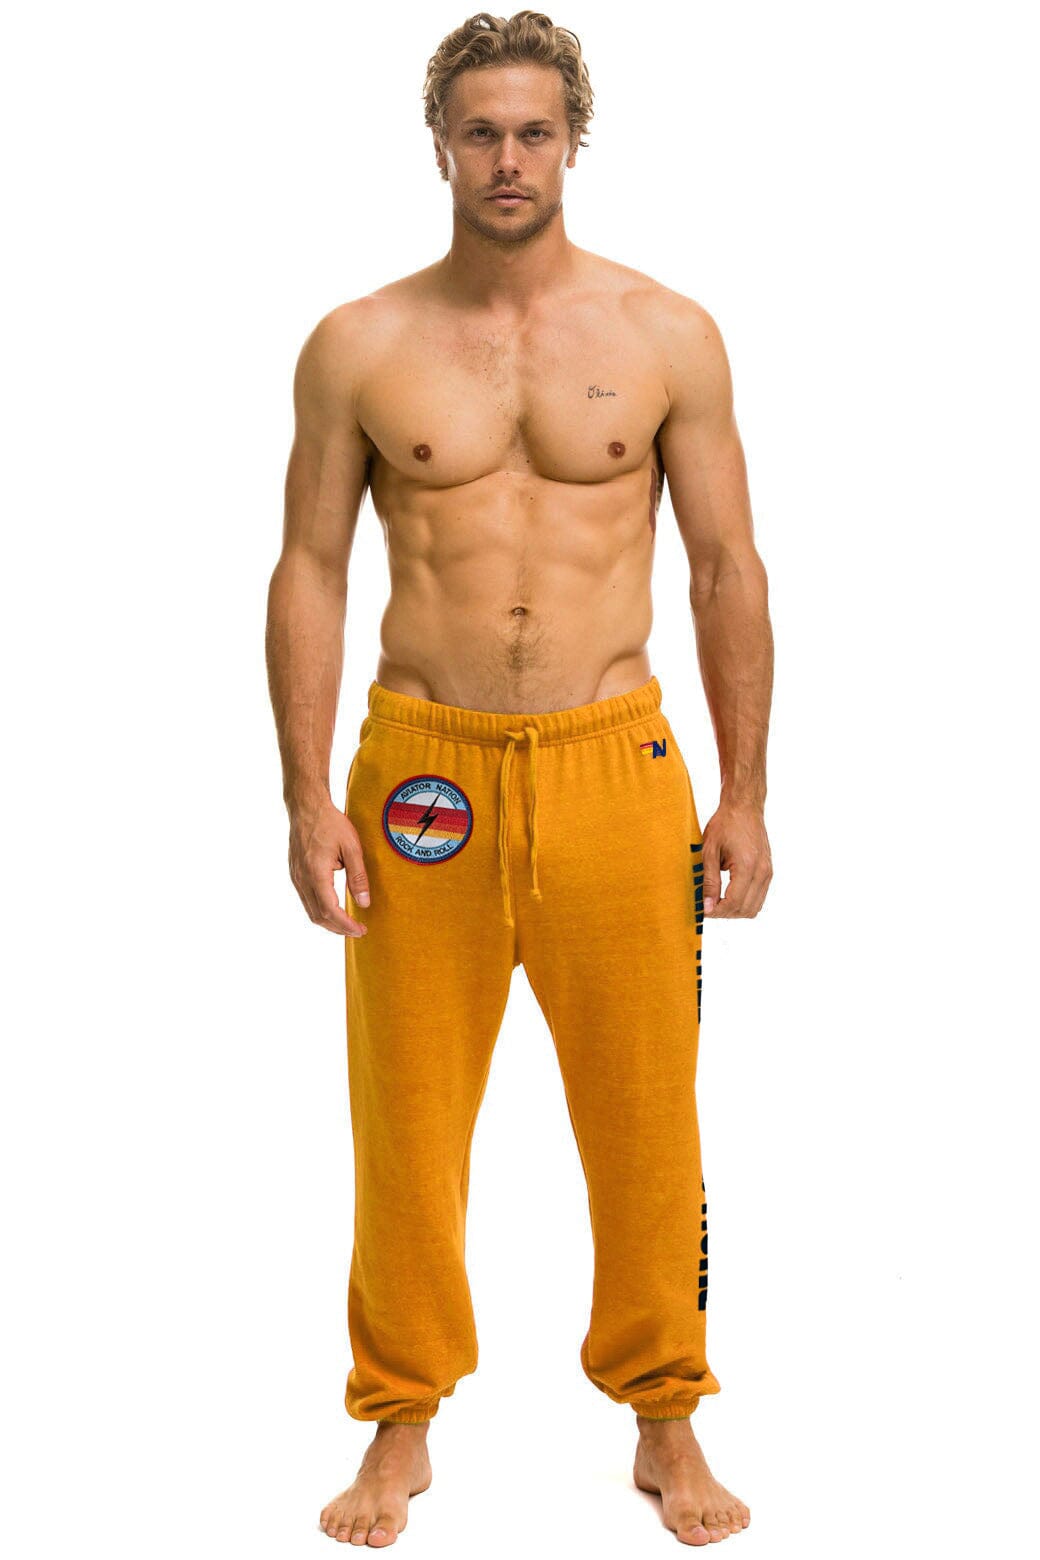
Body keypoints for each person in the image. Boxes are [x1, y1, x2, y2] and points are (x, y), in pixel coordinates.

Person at [266, 9, 772, 1548]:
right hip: (423, 771)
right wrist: (306, 796)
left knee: (648, 1114)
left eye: (534, 132)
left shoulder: (666, 333)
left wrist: (746, 792)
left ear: (573, 142)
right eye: (481, 132)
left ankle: (665, 1415)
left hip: (617, 760)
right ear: (440, 145)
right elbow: (308, 569)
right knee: (406, 1114)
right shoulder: (360, 343)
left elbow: (726, 566)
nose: (508, 159)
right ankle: (400, 1421)